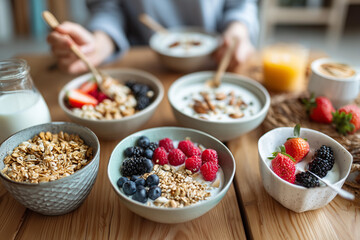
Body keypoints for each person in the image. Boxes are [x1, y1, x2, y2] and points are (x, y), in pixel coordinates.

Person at [47, 0, 258, 74]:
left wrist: (238, 28)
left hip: (216, 61)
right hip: (146, 66)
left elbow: (241, 4)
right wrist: (98, 43)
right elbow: (108, 7)